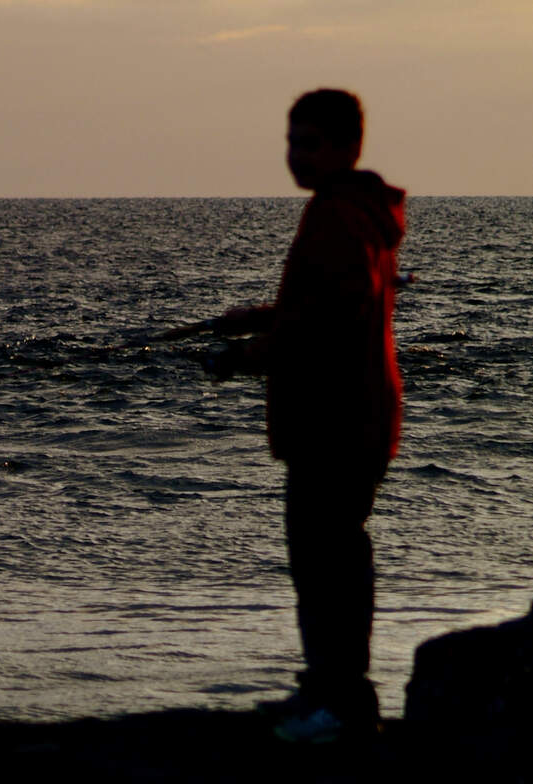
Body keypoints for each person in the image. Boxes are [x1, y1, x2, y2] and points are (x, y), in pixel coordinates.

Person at [213, 88, 406, 745]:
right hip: (355, 416)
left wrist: (243, 357)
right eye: (290, 141)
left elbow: (324, 324)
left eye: (309, 142)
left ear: (346, 145)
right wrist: (260, 318)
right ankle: (327, 691)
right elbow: (329, 299)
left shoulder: (335, 216)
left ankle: (340, 705)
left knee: (326, 566)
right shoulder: (359, 211)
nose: (294, 155)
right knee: (327, 559)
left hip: (335, 420)